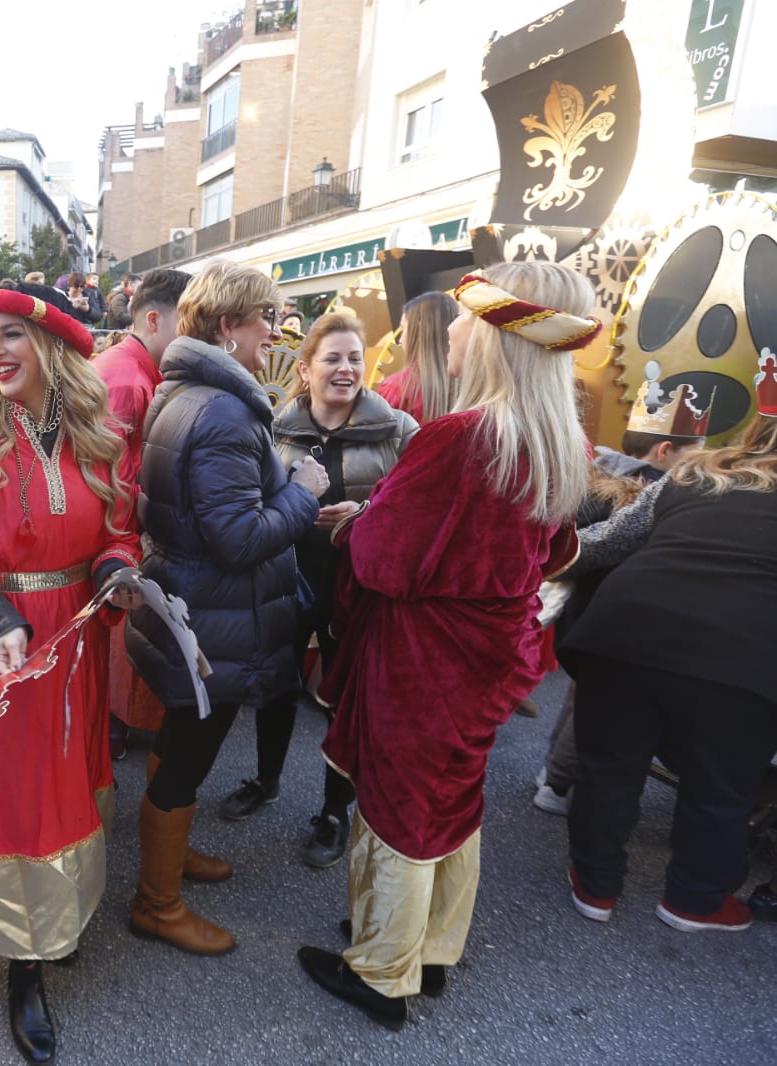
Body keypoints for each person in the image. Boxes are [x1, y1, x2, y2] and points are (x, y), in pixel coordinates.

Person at [298, 263, 593, 1030]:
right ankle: (428, 948)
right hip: (490, 650)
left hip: (424, 654)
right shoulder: (551, 437)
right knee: (452, 799)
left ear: (500, 337)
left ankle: (381, 971)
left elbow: (380, 562)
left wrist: (363, 518)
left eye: (467, 317)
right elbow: (555, 551)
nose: (452, 329)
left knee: (398, 807)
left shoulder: (459, 435)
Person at [0, 282, 140, 1064]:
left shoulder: (98, 436)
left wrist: (115, 572)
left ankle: (61, 915)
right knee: (12, 797)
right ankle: (20, 961)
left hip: (78, 642)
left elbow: (121, 530)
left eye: (11, 334)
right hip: (2, 650)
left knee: (71, 777)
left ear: (53, 348)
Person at [127, 262, 326, 958]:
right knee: (188, 758)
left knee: (179, 746)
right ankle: (155, 903)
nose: (274, 332)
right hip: (211, 620)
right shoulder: (223, 409)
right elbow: (238, 538)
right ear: (226, 326)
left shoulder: (186, 391)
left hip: (193, 608)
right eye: (264, 318)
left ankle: (169, 859)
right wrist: (302, 490)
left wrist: (288, 494)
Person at [558, 354, 777, 934]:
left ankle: (594, 885)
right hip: (740, 659)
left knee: (608, 767)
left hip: (624, 633)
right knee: (721, 785)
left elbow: (606, 542)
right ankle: (695, 900)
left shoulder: (693, 474)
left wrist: (533, 553)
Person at [217, 312, 417, 870]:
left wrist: (367, 513)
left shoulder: (399, 429)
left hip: (356, 585)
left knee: (342, 698)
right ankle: (266, 779)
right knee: (276, 687)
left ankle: (334, 812)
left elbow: (420, 509)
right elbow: (252, 498)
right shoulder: (275, 428)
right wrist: (291, 509)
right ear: (305, 369)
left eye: (355, 358)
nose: (346, 369)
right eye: (332, 358)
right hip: (285, 577)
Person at [534, 382, 709, 817]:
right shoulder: (650, 495)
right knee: (594, 707)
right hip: (613, 620)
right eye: (695, 453)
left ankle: (551, 770)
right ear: (665, 451)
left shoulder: (597, 476)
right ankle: (556, 785)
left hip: (586, 614)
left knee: (580, 698)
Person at [94, 268, 192, 756]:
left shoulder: (127, 367)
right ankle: (110, 727)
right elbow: (107, 483)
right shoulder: (128, 382)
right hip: (117, 542)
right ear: (153, 319)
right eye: (187, 320)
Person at [375, 291, 458, 425]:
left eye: (403, 330)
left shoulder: (396, 387)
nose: (400, 340)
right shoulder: (474, 380)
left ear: (418, 330)